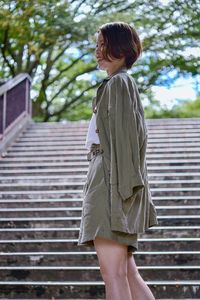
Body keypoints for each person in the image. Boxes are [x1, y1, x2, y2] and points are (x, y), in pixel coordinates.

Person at [78, 22, 158, 300]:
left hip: (111, 186)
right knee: (127, 274)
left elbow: (126, 145)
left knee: (113, 276)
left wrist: (122, 198)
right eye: (97, 45)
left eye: (103, 44)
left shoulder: (119, 84)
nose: (98, 51)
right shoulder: (118, 84)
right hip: (111, 182)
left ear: (121, 48)